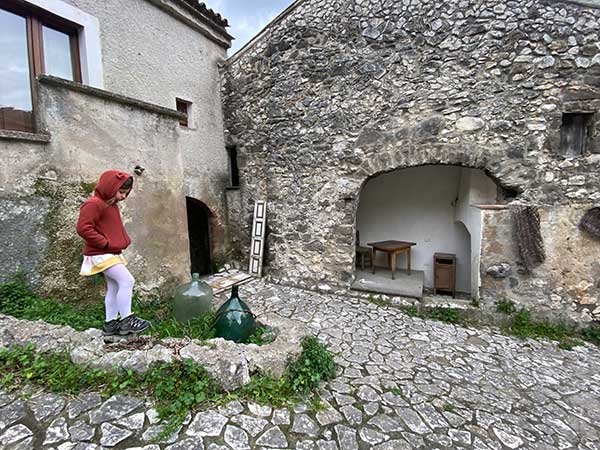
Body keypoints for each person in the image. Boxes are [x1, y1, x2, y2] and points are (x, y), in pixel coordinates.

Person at [76, 170, 151, 336]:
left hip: (111, 252)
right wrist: (104, 243)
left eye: (126, 193)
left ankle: (110, 324)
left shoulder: (111, 205)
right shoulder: (93, 204)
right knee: (127, 280)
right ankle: (127, 320)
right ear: (110, 187)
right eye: (121, 192)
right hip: (100, 253)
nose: (123, 196)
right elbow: (83, 228)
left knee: (114, 286)